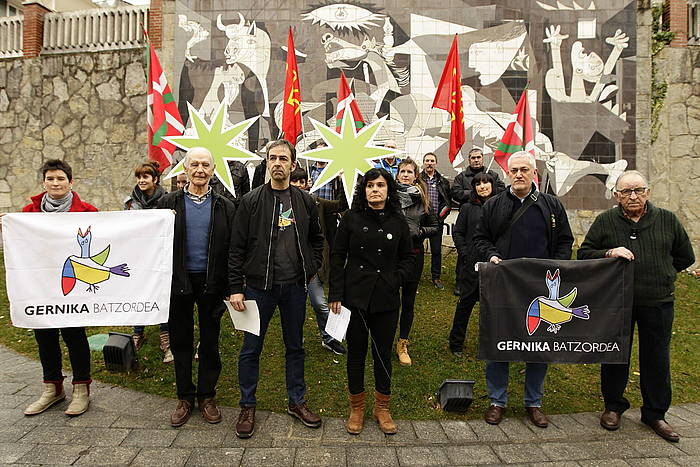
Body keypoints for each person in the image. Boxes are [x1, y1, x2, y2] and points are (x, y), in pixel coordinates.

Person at [577, 170, 695, 442]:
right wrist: (609, 252)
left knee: (657, 358)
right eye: (627, 192)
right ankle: (613, 406)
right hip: (617, 303)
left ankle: (655, 413)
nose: (633, 196)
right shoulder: (606, 221)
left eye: (638, 190)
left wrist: (663, 273)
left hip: (658, 301)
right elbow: (584, 254)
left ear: (648, 193)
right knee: (616, 354)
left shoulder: (667, 219)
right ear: (616, 195)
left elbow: (684, 257)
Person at [229, 139, 325, 439]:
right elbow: (236, 248)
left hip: (295, 288)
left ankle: (297, 401)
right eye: (272, 158)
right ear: (266, 163)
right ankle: (247, 405)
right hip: (259, 289)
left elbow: (317, 239)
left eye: (283, 158)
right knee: (250, 349)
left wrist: (311, 269)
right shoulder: (251, 201)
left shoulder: (305, 201)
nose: (277, 163)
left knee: (295, 347)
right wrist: (236, 288)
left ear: (292, 164)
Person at [473, 151, 573, 428]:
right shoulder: (494, 205)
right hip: (503, 287)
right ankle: (497, 400)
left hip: (540, 289)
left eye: (524, 170)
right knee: (499, 342)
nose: (518, 174)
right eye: (514, 170)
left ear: (534, 174)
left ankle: (534, 402)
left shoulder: (551, 205)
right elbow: (480, 239)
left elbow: (565, 241)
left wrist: (558, 265)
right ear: (508, 174)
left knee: (539, 345)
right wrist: (492, 255)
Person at [329, 168, 414, 435]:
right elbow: (337, 256)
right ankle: (356, 407)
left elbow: (409, 258)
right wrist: (336, 293)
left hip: (386, 298)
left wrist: (396, 278)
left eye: (380, 185)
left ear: (388, 189)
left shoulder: (398, 221)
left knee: (381, 355)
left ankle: (382, 408)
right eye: (369, 186)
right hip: (355, 298)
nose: (374, 190)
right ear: (363, 190)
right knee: (356, 354)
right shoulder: (351, 219)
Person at [157, 147, 237, 428]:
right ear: (185, 169)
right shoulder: (168, 204)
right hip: (178, 281)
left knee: (210, 341)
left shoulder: (226, 206)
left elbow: (233, 249)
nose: (200, 170)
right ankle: (184, 397)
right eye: (195, 165)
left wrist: (232, 284)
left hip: (212, 283)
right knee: (180, 341)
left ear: (213, 170)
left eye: (206, 165)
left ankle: (207, 395)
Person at [20, 159, 97, 417]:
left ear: (70, 182)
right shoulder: (27, 213)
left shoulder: (87, 212)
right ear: (44, 182)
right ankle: (52, 388)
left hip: (71, 284)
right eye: (50, 179)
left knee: (75, 336)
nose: (55, 183)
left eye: (60, 179)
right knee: (45, 337)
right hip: (39, 285)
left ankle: (81, 389)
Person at [290, 167, 347, 355]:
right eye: (295, 181)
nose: (299, 185)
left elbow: (341, 204)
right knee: (294, 307)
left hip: (312, 266)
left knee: (320, 304)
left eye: (302, 181)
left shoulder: (317, 202)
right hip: (289, 266)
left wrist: (342, 181)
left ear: (308, 183)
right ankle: (296, 340)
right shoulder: (281, 204)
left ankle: (328, 337)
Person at [124, 160, 173, 364]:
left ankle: (165, 335)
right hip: (138, 255)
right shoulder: (130, 203)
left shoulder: (168, 200)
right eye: (139, 177)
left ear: (155, 179)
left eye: (145, 176)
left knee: (161, 293)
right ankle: (138, 331)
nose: (141, 180)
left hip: (161, 255)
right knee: (139, 291)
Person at [449, 172, 499, 357]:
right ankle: (456, 343)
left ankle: (491, 342)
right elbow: (458, 233)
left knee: (492, 307)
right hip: (471, 265)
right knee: (465, 304)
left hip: (494, 265)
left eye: (486, 182)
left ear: (492, 185)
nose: (482, 186)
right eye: (478, 183)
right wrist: (465, 252)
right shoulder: (468, 208)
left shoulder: (500, 207)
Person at [395, 158, 439, 366]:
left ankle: (402, 342)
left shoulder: (423, 200)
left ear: (415, 176)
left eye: (409, 172)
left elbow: (435, 226)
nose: (405, 174)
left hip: (413, 254)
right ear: (397, 174)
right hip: (390, 256)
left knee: (408, 301)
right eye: (402, 171)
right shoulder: (388, 197)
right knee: (389, 299)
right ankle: (385, 337)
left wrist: (419, 231)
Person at [419, 152, 452, 289]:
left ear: (436, 163)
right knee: (416, 250)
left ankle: (436, 277)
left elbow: (447, 202)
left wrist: (441, 217)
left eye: (432, 160)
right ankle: (414, 274)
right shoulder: (417, 179)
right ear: (423, 163)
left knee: (436, 251)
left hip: (435, 221)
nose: (429, 163)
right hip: (419, 220)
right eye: (427, 160)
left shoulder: (443, 181)